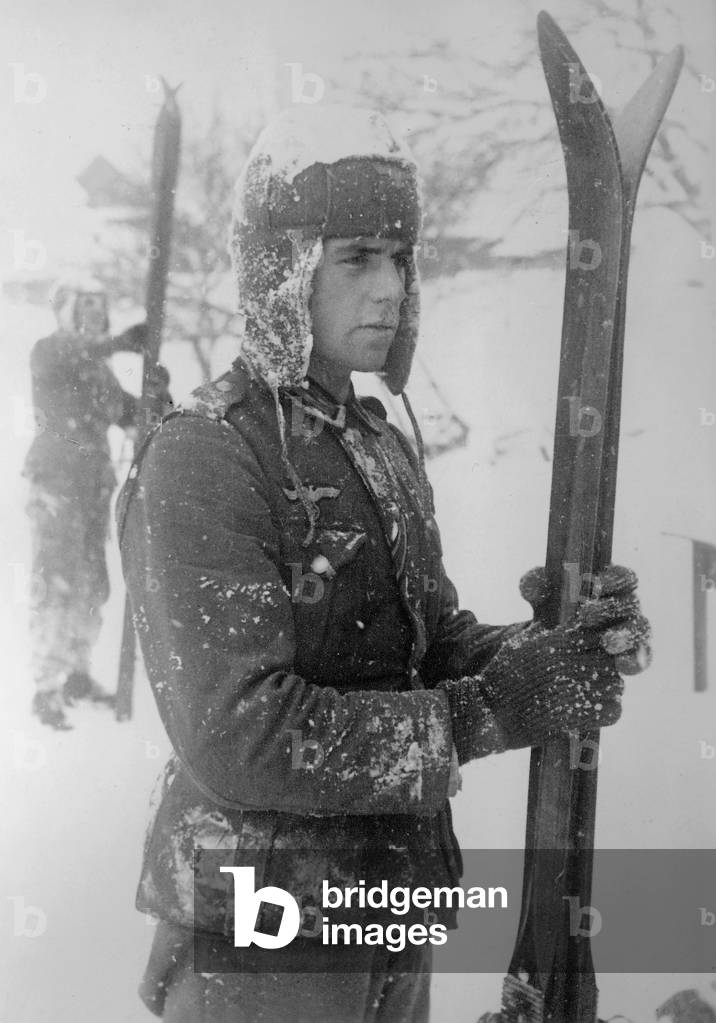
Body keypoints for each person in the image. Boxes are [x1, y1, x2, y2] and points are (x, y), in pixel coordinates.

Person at [117, 106, 651, 1023]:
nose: (391, 288)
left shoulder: (372, 442)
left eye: (402, 258)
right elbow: (242, 732)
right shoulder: (206, 453)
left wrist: (547, 649)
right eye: (356, 257)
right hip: (263, 938)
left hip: (385, 910)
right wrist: (492, 707)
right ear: (285, 271)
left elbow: (425, 646)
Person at [23, 276, 171, 730]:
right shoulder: (49, 351)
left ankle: (76, 673)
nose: (90, 317)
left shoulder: (97, 371)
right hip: (54, 480)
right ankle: (45, 685)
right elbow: (74, 355)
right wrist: (119, 343)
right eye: (81, 308)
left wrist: (157, 391)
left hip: (90, 485)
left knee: (90, 581)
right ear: (64, 312)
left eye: (96, 308)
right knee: (56, 580)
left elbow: (133, 416)